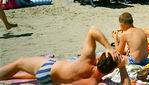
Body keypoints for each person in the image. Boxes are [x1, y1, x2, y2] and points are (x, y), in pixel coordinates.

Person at [0, 26, 130, 84]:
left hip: (48, 69)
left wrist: (108, 47)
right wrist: (122, 67)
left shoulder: (87, 61)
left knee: (20, 63)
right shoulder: (96, 82)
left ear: (100, 58)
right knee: (28, 73)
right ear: (111, 70)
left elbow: (92, 30)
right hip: (53, 82)